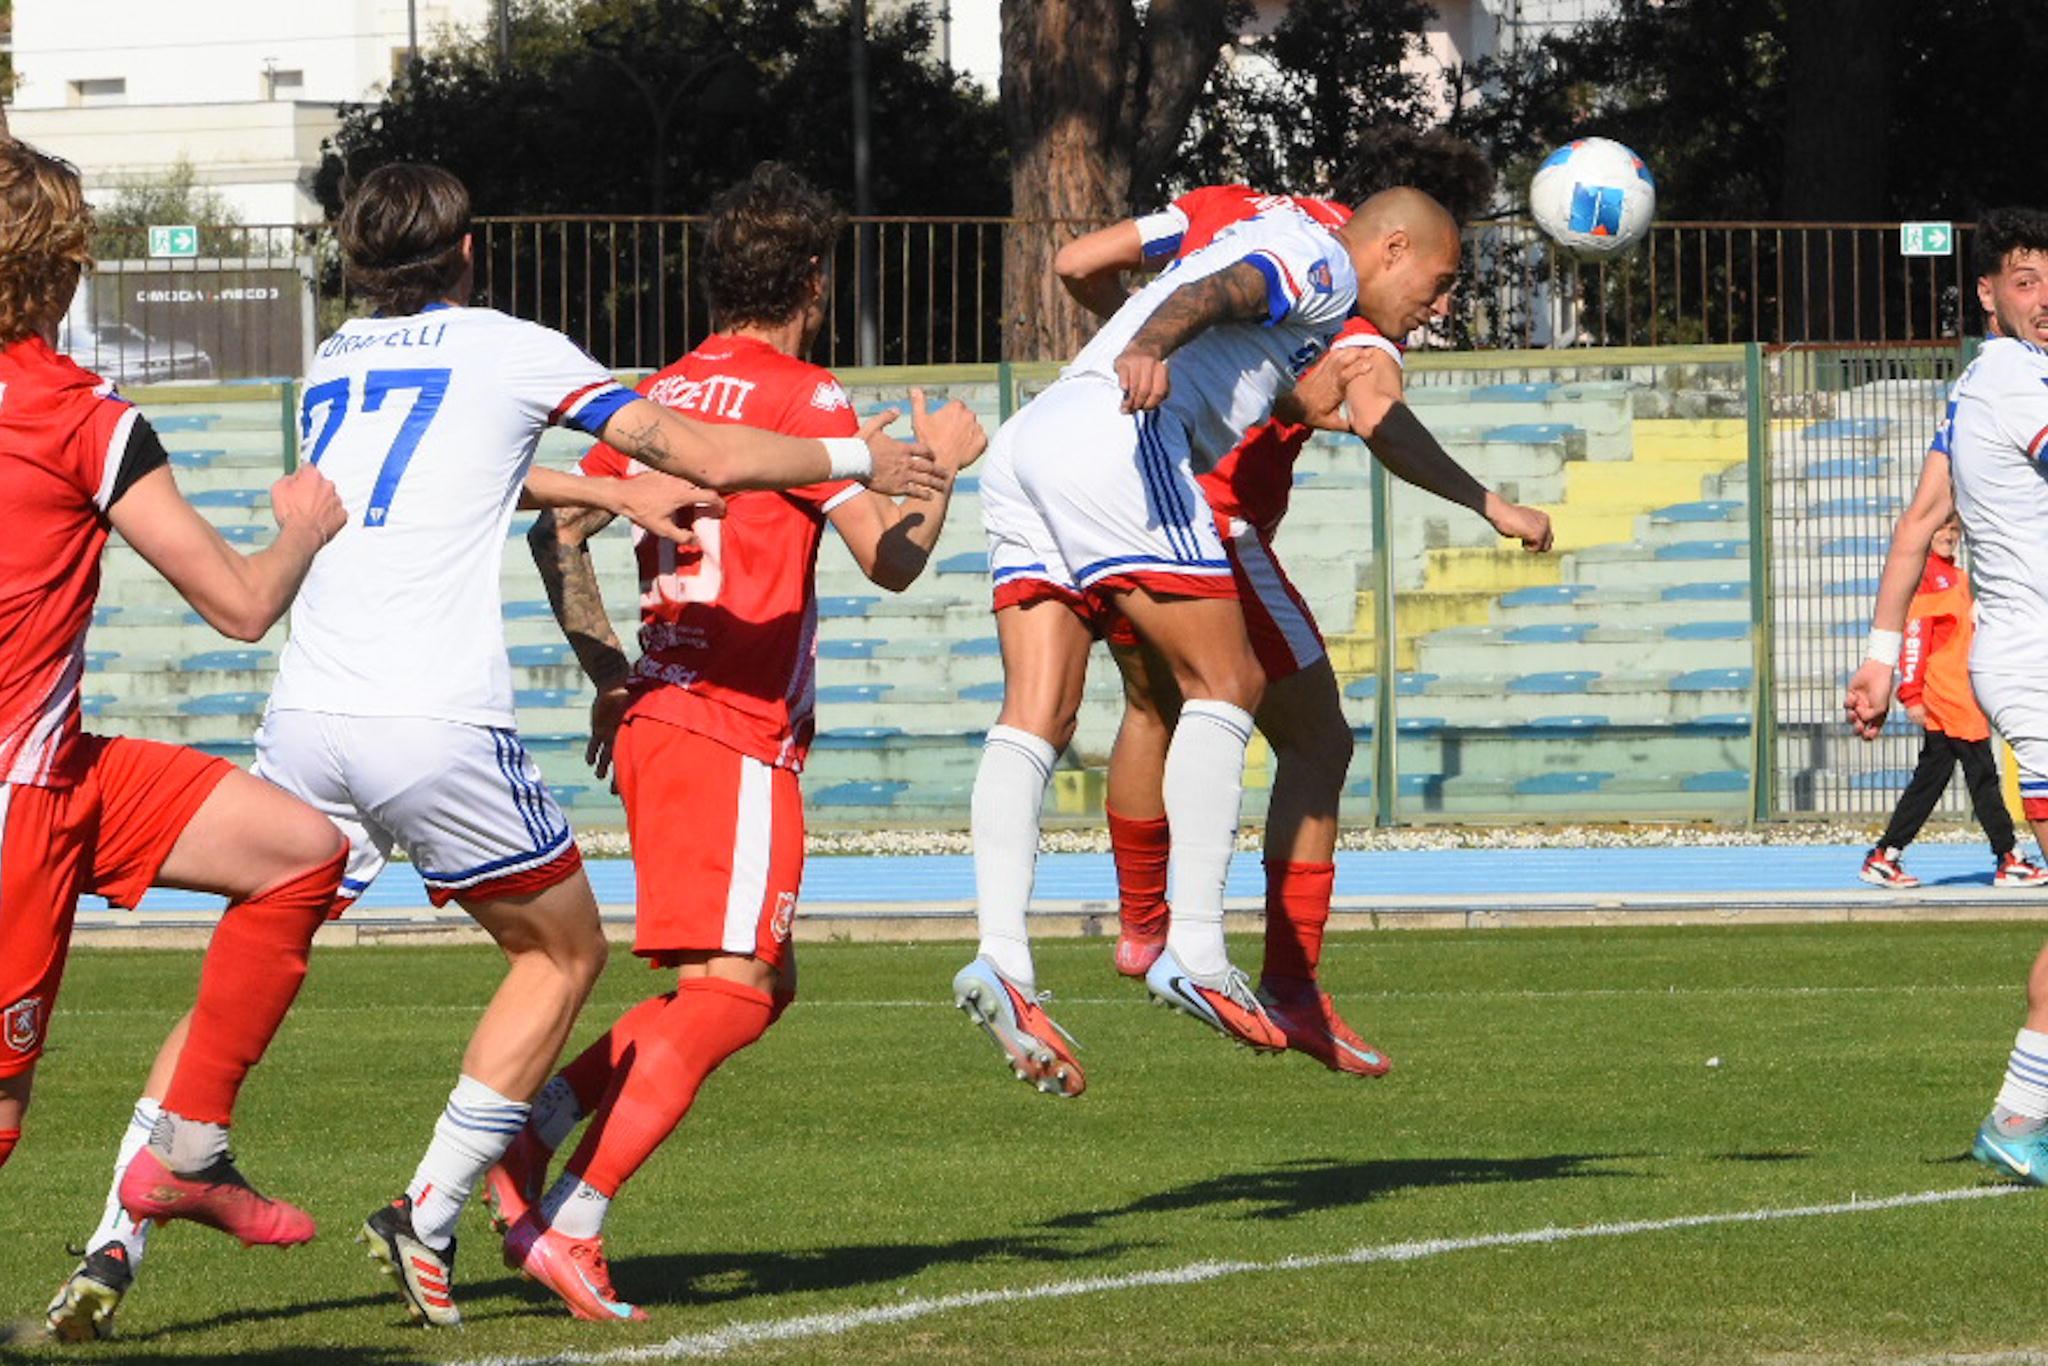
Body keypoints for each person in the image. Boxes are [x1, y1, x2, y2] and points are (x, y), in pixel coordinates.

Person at [44, 160, 949, 1338]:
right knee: (562, 955)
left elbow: (455, 471)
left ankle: (119, 1232)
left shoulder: (336, 359)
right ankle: (434, 1204)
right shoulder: (517, 344)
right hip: (432, 718)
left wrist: (606, 500)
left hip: (310, 707)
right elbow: (711, 460)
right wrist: (866, 463)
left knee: (241, 967)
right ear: (468, 253)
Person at [474, 162, 984, 1321]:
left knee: (754, 980)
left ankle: (529, 1133)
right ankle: (575, 1219)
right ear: (813, 277)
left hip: (661, 719)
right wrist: (943, 461)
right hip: (731, 729)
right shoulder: (804, 398)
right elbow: (890, 561)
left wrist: (609, 667)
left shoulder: (661, 393)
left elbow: (561, 527)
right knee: (738, 992)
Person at [958, 187, 1553, 1096]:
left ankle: (1003, 957)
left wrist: (1146, 345)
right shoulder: (1318, 261)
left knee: (1038, 711)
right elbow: (1234, 290)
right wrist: (1152, 347)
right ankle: (1194, 948)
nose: (1436, 307)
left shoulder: (1241, 216)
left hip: (1033, 441)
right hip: (1127, 445)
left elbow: (1109, 272)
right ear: (1392, 247)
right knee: (1227, 682)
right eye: (1437, 283)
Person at [0, 137, 352, 1303]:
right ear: (58, 269)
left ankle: (188, 1149)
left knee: (302, 851)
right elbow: (243, 605)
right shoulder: (78, 416)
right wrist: (302, 524)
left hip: (65, 766)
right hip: (20, 795)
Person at [1842, 206, 2048, 1184]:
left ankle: (2017, 1112)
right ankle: (2015, 1115)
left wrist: (1880, 653)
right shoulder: (2016, 380)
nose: (2041, 297)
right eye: (2021, 280)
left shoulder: (1971, 389)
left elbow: (1918, 521)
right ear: (1985, 293)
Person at [1859, 512, 2046, 889]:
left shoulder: (1955, 576)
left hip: (1959, 692)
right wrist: (1911, 693)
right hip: (1950, 696)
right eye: (1941, 529)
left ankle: (1886, 854)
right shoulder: (1928, 577)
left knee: (1932, 778)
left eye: (1953, 529)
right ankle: (2008, 855)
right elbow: (1915, 637)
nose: (1948, 535)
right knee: (1982, 775)